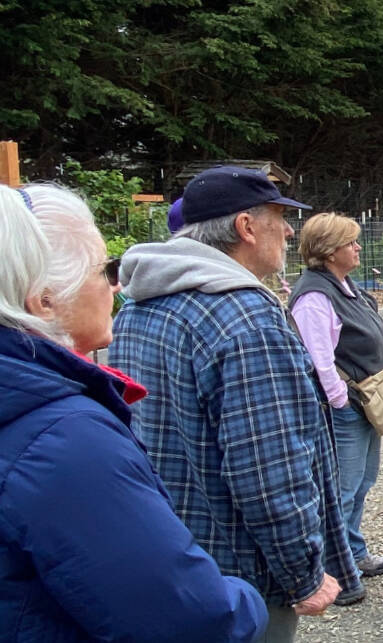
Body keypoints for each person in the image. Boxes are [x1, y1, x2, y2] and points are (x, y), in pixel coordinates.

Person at [0, 184, 267, 641]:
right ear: (43, 298)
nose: (116, 284)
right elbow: (191, 621)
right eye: (104, 269)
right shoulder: (63, 440)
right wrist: (250, 597)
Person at [111, 167, 359, 641]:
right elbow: (269, 472)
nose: (289, 231)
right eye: (279, 218)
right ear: (246, 227)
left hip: (168, 551)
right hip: (240, 575)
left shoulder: (140, 304)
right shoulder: (246, 318)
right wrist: (303, 574)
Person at [289, 214, 383, 605]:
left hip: (362, 403)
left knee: (363, 482)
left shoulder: (342, 284)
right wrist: (340, 401)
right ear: (329, 250)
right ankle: (331, 570)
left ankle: (353, 551)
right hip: (345, 407)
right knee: (342, 489)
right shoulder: (314, 296)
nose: (358, 248)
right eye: (351, 243)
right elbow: (319, 359)